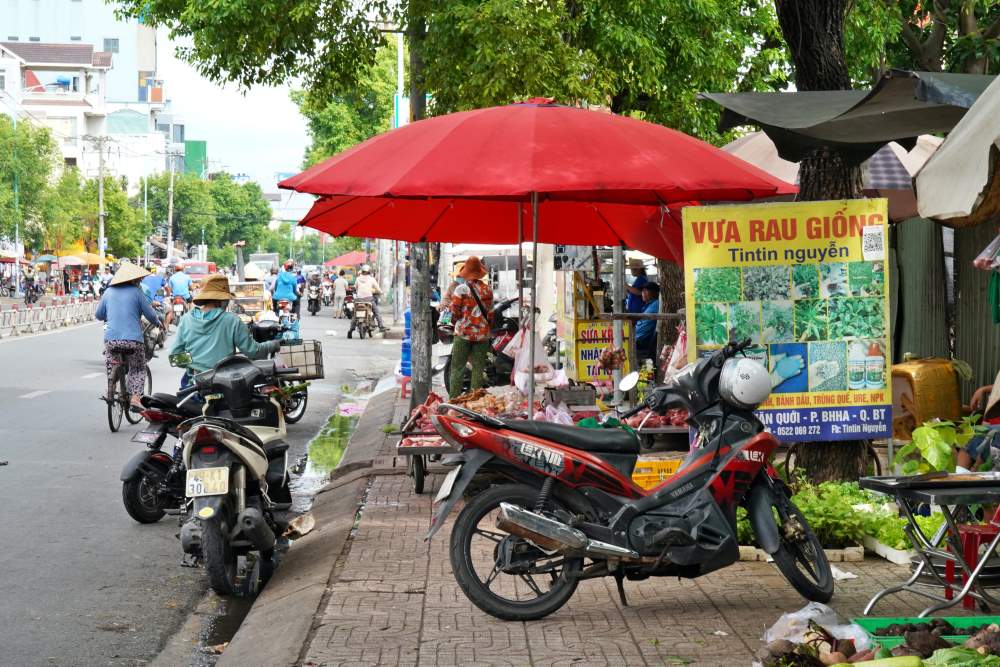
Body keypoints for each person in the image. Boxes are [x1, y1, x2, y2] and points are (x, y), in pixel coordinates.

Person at [170, 274, 281, 386]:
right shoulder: (231, 320)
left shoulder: (186, 319)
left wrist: (195, 363)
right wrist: (273, 345)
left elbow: (175, 356)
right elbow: (252, 351)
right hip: (223, 383)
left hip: (194, 382)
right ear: (221, 300)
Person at [96, 263, 163, 410]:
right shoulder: (137, 292)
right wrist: (158, 322)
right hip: (133, 340)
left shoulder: (108, 292)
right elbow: (150, 314)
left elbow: (98, 315)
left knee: (112, 364)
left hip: (111, 340)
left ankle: (110, 388)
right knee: (138, 368)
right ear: (133, 280)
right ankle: (135, 399)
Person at [447, 257, 493, 398]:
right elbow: (490, 313)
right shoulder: (487, 289)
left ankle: (454, 401)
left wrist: (457, 322)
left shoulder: (461, 289)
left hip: (463, 334)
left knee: (457, 368)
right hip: (482, 335)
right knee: (478, 369)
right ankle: (474, 403)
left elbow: (454, 312)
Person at [348, 264, 386, 337]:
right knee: (376, 312)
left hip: (358, 299)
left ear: (362, 271)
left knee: (355, 314)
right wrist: (381, 292)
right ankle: (381, 326)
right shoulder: (372, 279)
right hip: (369, 299)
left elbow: (355, 287)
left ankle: (350, 330)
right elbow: (378, 289)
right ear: (369, 271)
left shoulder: (358, 278)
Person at [635, 282, 659, 361]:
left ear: (654, 293)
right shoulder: (648, 305)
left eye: (646, 291)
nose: (643, 293)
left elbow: (642, 329)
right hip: (641, 341)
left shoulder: (656, 304)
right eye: (642, 291)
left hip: (643, 344)